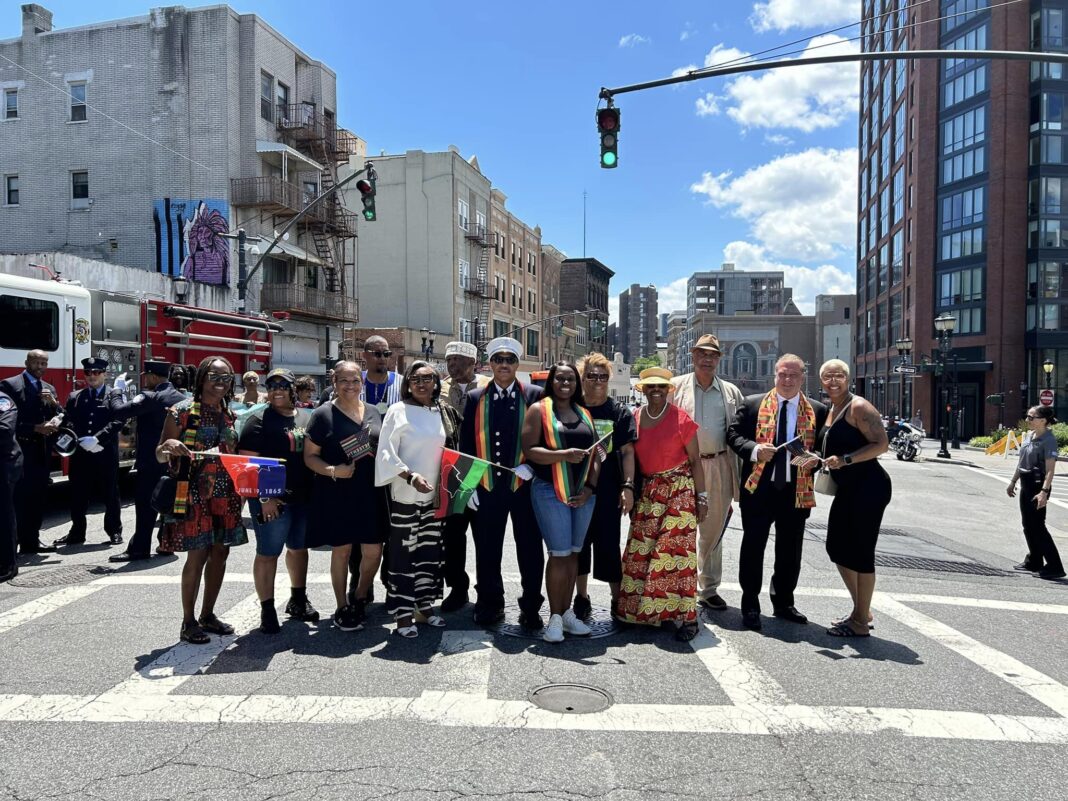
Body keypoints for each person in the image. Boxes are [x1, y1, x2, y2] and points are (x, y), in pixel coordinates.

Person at [727, 354, 828, 632]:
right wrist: (755, 450)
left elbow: (824, 447)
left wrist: (815, 457)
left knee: (790, 549)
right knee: (753, 547)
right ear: (775, 375)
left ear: (802, 377)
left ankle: (783, 602)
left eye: (793, 375)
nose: (787, 380)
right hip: (759, 489)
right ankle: (750, 604)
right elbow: (733, 435)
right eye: (782, 374)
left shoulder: (817, 411)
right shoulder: (752, 404)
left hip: (796, 491)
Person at [156, 356, 248, 644]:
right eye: (215, 377)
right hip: (194, 494)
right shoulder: (180, 412)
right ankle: (188, 621)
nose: (220, 384)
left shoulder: (229, 413)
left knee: (221, 553)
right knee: (197, 555)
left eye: (226, 379)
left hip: (226, 494)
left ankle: (208, 615)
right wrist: (168, 446)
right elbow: (159, 454)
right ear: (202, 379)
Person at [460, 336, 545, 630]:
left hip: (524, 487)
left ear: (517, 364)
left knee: (531, 548)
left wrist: (532, 467)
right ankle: (489, 602)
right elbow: (467, 444)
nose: (504, 365)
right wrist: (468, 485)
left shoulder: (534, 395)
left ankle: (531, 605)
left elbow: (545, 437)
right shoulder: (475, 397)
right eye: (498, 360)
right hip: (487, 485)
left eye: (510, 360)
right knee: (487, 548)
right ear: (490, 364)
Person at [617, 367, 707, 641]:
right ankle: (642, 613)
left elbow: (695, 461)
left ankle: (686, 617)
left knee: (676, 555)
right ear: (642, 390)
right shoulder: (635, 417)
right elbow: (628, 455)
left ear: (669, 390)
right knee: (641, 551)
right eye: (650, 386)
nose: (655, 390)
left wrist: (702, 498)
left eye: (661, 386)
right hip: (650, 491)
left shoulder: (681, 419)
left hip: (679, 491)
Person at [376, 361, 457, 637]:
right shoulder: (398, 411)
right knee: (402, 554)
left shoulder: (442, 412)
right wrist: (410, 476)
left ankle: (424, 607)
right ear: (408, 383)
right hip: (406, 495)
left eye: (427, 378)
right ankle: (403, 614)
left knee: (430, 555)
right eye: (415, 379)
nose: (421, 384)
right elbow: (386, 453)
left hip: (435, 497)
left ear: (436, 382)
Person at [304, 362, 386, 631]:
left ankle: (360, 595)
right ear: (334, 381)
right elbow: (310, 457)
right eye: (344, 381)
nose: (350, 386)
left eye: (355, 381)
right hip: (337, 490)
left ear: (362, 382)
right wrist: (333, 470)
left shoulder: (373, 411)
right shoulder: (322, 415)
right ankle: (341, 605)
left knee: (374, 550)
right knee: (342, 550)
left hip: (371, 491)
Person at [522, 361, 599, 643]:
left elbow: (595, 455)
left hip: (583, 494)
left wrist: (590, 488)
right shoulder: (538, 410)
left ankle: (567, 614)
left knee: (575, 553)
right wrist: (563, 454)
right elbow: (529, 450)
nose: (565, 384)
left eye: (570, 379)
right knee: (559, 553)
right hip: (550, 491)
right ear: (551, 382)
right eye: (560, 379)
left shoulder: (585, 413)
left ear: (577, 384)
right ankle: (554, 618)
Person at [238, 368, 319, 633]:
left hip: (304, 496)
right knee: (268, 553)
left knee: (298, 549)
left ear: (293, 389)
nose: (276, 390)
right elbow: (249, 466)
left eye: (282, 385)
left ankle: (298, 599)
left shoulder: (307, 417)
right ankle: (267, 608)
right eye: (271, 385)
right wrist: (264, 498)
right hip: (272, 499)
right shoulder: (258, 420)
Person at [670, 334, 745, 613]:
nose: (707, 358)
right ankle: (677, 586)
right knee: (678, 527)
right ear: (693, 355)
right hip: (682, 466)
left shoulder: (730, 392)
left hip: (719, 464)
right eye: (702, 353)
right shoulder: (675, 388)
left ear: (719, 359)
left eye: (713, 354)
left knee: (712, 530)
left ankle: (708, 588)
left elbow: (739, 433)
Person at [818, 360, 892, 637]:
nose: (833, 381)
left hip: (869, 487)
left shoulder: (858, 406)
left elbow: (881, 444)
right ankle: (862, 608)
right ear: (821, 380)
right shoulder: (831, 408)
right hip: (848, 488)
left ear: (848, 379)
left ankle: (860, 621)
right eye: (828, 376)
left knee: (861, 552)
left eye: (839, 376)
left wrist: (846, 459)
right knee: (836, 547)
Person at [573, 352, 636, 619]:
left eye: (603, 376)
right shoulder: (572, 408)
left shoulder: (618, 412)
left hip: (609, 489)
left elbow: (628, 452)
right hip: (576, 487)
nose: (597, 381)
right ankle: (582, 597)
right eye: (591, 375)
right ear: (582, 377)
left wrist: (628, 486)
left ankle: (616, 599)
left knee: (609, 545)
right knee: (579, 544)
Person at [107, 360, 187, 562]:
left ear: (152, 376)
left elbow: (119, 410)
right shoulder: (180, 397)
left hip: (151, 460)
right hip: (175, 460)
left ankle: (139, 549)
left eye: (145, 376)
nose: (144, 380)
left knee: (145, 506)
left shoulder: (151, 396)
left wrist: (117, 391)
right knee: (168, 502)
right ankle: (166, 543)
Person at [438, 340, 490, 612]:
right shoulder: (440, 389)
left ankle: (487, 590)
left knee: (484, 535)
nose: (453, 366)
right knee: (453, 536)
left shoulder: (486, 387)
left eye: (458, 361)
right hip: (451, 472)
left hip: (479, 471)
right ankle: (458, 588)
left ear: (473, 363)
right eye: (449, 361)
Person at [54, 358, 124, 547]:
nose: (92, 376)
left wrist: (98, 439)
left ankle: (114, 531)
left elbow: (119, 420)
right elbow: (69, 421)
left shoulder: (114, 395)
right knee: (78, 493)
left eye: (96, 372)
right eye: (88, 373)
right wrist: (77, 439)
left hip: (105, 451)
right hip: (81, 453)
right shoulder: (76, 396)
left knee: (110, 493)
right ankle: (77, 532)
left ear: (104, 374)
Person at [0, 350, 60, 555]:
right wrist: (34, 428)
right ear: (27, 362)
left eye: (44, 363)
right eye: (37, 363)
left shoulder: (49, 388)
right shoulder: (10, 385)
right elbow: (6, 422)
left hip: (41, 450)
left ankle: (31, 540)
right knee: (17, 498)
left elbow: (61, 416)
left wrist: (54, 406)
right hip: (19, 449)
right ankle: (11, 543)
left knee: (37, 497)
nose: (41, 367)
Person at [1007, 405, 1066, 580]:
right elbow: (1021, 462)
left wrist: (1044, 492)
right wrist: (1013, 481)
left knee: (1038, 527)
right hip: (1026, 483)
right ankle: (1034, 560)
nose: (1027, 420)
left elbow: (1050, 470)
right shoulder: (1029, 436)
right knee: (1027, 525)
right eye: (1027, 416)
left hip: (1038, 485)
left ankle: (1055, 566)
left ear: (1043, 420)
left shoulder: (1049, 440)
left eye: (1031, 417)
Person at [0, 390, 22, 583]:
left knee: (3, 514)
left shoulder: (3, 401)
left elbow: (5, 430)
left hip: (4, 463)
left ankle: (8, 563)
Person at [361, 335, 402, 414]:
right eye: (377, 354)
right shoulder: (353, 383)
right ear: (364, 355)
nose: (382, 358)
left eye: (386, 354)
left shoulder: (402, 383)